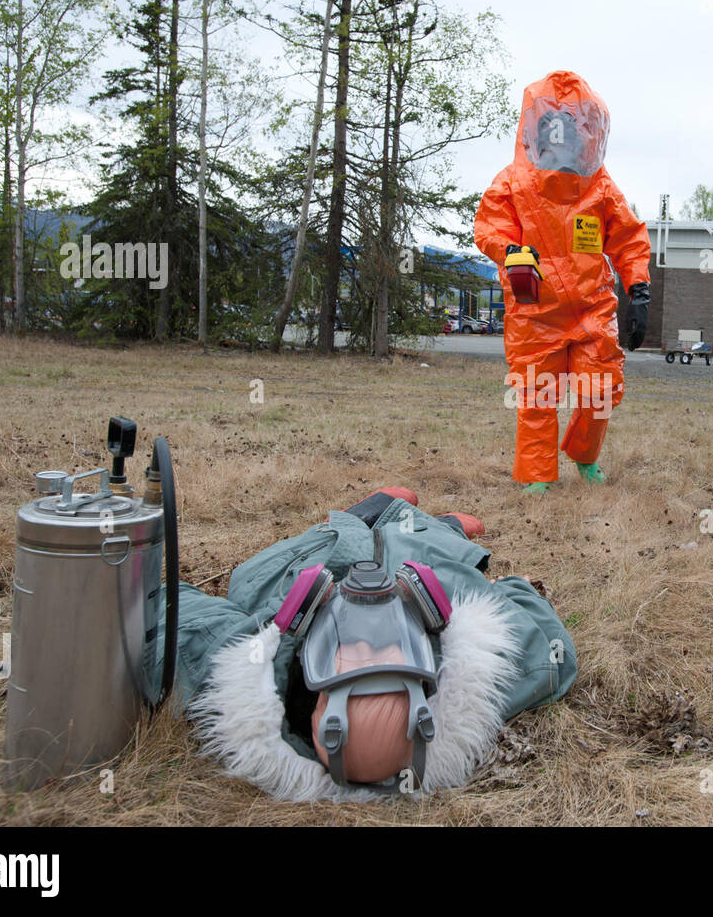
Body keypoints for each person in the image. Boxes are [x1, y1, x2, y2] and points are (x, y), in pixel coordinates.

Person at [171, 488, 577, 801]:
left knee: (259, 578)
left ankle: (365, 514)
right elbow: (553, 649)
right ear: (425, 690)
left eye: (343, 660)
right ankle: (438, 528)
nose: (368, 639)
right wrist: (514, 590)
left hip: (312, 559)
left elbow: (175, 613)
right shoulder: (475, 678)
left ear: (315, 711)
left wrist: (274, 636)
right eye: (390, 659)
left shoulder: (249, 679)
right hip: (421, 560)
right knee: (439, 558)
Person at [475, 71, 652, 495]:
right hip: (534, 312)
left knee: (602, 388)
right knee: (537, 397)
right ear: (538, 129)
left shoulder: (600, 186)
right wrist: (510, 252)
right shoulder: (512, 183)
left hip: (592, 309)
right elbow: (489, 228)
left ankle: (584, 455)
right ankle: (537, 476)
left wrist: (639, 288)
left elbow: (628, 239)